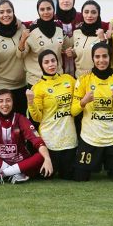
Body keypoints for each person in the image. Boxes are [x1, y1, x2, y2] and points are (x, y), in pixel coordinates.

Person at [71, 42, 113, 182]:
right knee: (79, 178)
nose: (101, 60)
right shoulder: (84, 79)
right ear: (92, 58)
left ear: (110, 57)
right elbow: (73, 111)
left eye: (105, 56)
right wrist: (83, 102)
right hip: (90, 138)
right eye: (97, 57)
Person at [0, 89, 53, 184]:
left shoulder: (20, 119)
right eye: (1, 101)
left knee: (40, 156)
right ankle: (15, 173)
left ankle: (1, 174)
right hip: (0, 162)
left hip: (21, 161)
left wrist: (47, 159)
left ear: (13, 102)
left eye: (8, 100)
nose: (4, 104)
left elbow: (37, 141)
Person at [27, 50, 78, 179]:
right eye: (46, 62)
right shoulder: (38, 87)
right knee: (46, 176)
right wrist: (31, 102)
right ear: (41, 65)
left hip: (69, 139)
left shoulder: (69, 80)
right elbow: (37, 118)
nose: (51, 64)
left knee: (69, 176)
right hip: (50, 140)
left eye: (53, 61)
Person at [20, 0, 71, 87]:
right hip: (37, 81)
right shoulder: (31, 30)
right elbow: (20, 55)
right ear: (38, 11)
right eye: (42, 9)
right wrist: (22, 40)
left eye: (49, 8)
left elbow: (68, 45)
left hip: (57, 79)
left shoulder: (59, 29)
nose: (46, 12)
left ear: (53, 10)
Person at [67, 0, 107, 78]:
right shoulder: (76, 32)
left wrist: (102, 40)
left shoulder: (103, 34)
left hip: (97, 79)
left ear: (98, 14)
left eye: (93, 12)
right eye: (86, 12)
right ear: (82, 14)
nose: (89, 15)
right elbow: (79, 52)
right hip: (79, 78)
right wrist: (72, 52)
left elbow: (108, 56)